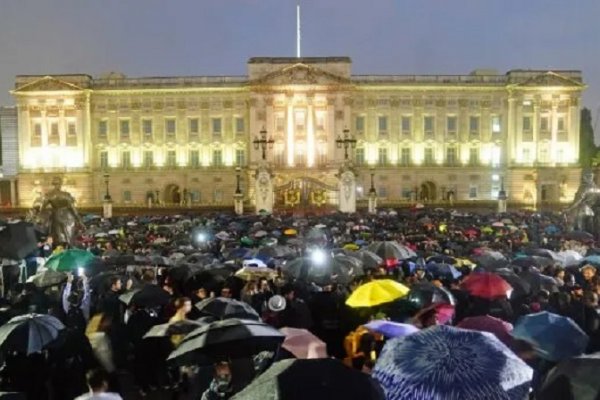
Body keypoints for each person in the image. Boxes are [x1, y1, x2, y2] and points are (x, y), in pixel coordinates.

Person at [39, 176, 84, 245]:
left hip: (56, 216)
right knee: (69, 238)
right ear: (61, 184)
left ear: (53, 184)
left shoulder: (49, 195)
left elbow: (41, 209)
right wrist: (80, 221)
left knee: (57, 238)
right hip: (68, 218)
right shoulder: (66, 195)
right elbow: (73, 210)